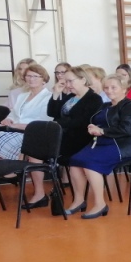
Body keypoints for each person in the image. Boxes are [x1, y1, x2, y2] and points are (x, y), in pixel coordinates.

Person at [63, 76, 131, 219]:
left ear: (124, 89)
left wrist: (102, 131)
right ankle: (79, 200)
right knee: (75, 161)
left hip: (125, 144)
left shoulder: (130, 106)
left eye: (113, 87)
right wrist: (93, 126)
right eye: (106, 88)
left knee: (90, 164)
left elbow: (126, 129)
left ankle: (100, 204)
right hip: (105, 141)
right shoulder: (105, 105)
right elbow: (99, 122)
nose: (109, 90)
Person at [30, 65, 103, 208]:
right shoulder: (70, 97)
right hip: (64, 136)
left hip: (80, 139)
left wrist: (56, 124)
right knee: (34, 153)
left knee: (51, 153)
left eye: (70, 81)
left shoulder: (94, 99)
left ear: (83, 80)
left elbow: (81, 122)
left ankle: (78, 199)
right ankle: (39, 194)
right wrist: (56, 94)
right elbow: (52, 113)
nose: (67, 85)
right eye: (66, 81)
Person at [0, 61, 52, 160]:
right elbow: (13, 114)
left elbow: (44, 123)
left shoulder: (49, 97)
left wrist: (16, 125)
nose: (31, 79)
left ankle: (14, 168)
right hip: (13, 131)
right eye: (28, 76)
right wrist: (8, 120)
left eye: (35, 76)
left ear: (44, 80)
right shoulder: (22, 96)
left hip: (31, 134)